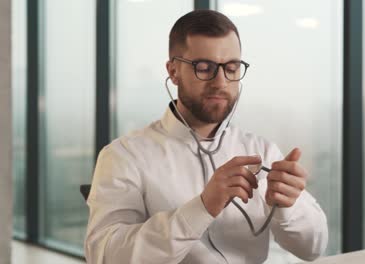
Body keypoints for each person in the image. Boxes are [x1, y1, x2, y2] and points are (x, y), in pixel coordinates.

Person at [85, 9, 328, 264]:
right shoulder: (124, 156)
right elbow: (104, 256)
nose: (221, 82)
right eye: (204, 68)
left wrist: (289, 207)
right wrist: (201, 208)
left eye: (231, 68)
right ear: (173, 71)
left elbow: (314, 248)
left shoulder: (262, 151)